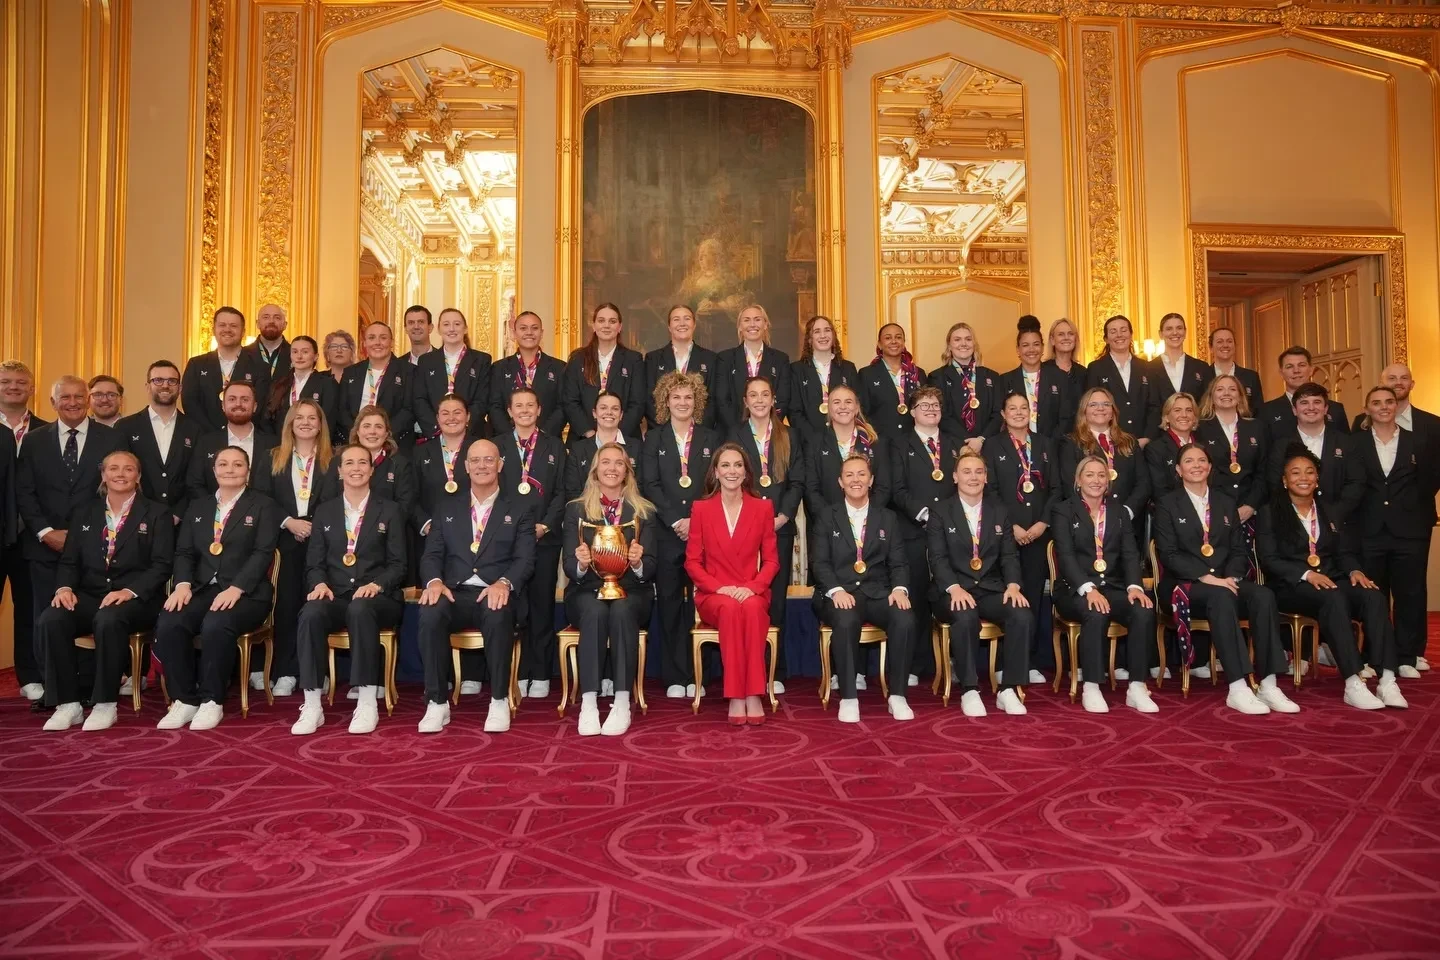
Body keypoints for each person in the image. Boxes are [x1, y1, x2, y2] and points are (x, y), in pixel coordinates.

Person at [1257, 445, 1406, 710]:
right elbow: (1269, 560)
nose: (1303, 477)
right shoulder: (1270, 512)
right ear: (1284, 480)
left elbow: (1344, 552)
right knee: (1332, 597)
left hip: (1332, 579)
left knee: (1373, 596)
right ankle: (1353, 682)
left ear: (1317, 478)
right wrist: (1306, 574)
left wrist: (1355, 571)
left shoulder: (1329, 511)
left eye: (1309, 472)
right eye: (1295, 473)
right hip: (1291, 586)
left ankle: (1387, 679)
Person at [1152, 443, 1298, 714]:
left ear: (1209, 467)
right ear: (1178, 469)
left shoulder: (1225, 501)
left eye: (1201, 460)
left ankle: (1268, 684)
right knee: (1220, 596)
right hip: (1184, 586)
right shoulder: (1166, 504)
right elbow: (1169, 554)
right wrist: (1207, 578)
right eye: (1188, 461)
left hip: (1226, 581)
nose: (1196, 465)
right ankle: (1238, 687)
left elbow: (1238, 549)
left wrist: (1230, 576)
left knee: (1263, 595)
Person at [37, 450, 174, 730]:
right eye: (113, 468)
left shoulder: (157, 513)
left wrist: (129, 591)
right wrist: (64, 587)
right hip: (91, 595)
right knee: (52, 618)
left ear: (138, 476)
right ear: (103, 475)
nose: (120, 474)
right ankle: (68, 704)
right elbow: (70, 561)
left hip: (138, 599)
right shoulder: (84, 512)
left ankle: (105, 703)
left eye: (128, 469)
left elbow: (162, 565)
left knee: (108, 618)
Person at [16, 375, 123, 709]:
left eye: (79, 396)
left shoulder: (112, 438)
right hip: (44, 546)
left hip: (95, 548)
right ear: (53, 402)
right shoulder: (33, 441)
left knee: (90, 614)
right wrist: (45, 532)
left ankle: (88, 685)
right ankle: (54, 690)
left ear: (87, 400)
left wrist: (82, 538)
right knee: (47, 618)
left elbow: (118, 489)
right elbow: (24, 492)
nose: (73, 403)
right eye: (65, 397)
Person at [154, 446, 280, 730]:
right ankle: (184, 699)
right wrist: (182, 585)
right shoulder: (198, 506)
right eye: (223, 464)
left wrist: (237, 588)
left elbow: (263, 553)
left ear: (248, 471)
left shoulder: (263, 505)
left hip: (248, 593)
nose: (229, 470)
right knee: (171, 621)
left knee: (216, 623)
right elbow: (184, 552)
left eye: (237, 464)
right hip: (203, 589)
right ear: (214, 470)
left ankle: (212, 700)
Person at [416, 438, 535, 734]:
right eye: (476, 460)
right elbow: (432, 554)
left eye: (489, 459)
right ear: (466, 466)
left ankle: (499, 700)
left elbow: (525, 559)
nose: (482, 466)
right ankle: (437, 702)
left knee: (497, 613)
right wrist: (434, 582)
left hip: (494, 592)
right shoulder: (446, 507)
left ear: (500, 465)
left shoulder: (520, 508)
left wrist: (504, 583)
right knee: (430, 612)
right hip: (454, 592)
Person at [290, 442, 408, 735]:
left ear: (371, 470)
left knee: (360, 608)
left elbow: (398, 565)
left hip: (379, 597)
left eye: (362, 463)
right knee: (311, 613)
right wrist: (318, 583)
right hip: (336, 594)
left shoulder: (390, 510)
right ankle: (312, 704)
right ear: (340, 471)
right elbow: (314, 562)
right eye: (349, 463)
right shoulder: (325, 511)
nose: (356, 468)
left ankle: (367, 702)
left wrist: (376, 584)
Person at [811, 452, 915, 723]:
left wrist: (899, 589)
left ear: (871, 480)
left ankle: (898, 695)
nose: (855, 480)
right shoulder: (826, 516)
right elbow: (819, 563)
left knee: (904, 618)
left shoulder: (887, 518)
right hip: (839, 593)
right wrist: (836, 590)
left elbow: (899, 562)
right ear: (840, 482)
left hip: (878, 592)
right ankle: (848, 697)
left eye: (861, 474)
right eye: (849, 475)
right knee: (845, 620)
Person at [928, 447, 1032, 716]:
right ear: (955, 477)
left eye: (978, 472)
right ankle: (970, 689)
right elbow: (937, 558)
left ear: (986, 477)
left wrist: (1013, 585)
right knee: (965, 615)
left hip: (990, 588)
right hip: (952, 590)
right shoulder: (940, 511)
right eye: (966, 472)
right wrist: (954, 588)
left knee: (1021, 613)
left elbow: (1009, 555)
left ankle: (1009, 688)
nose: (973, 477)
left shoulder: (1000, 511)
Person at [1050, 456, 1158, 713]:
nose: (1096, 480)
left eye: (1101, 475)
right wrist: (1088, 589)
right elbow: (1065, 556)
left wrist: (1135, 587)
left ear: (1108, 481)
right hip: (1074, 589)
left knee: (1143, 609)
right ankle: (1092, 686)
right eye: (1089, 475)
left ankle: (1137, 687)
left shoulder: (1119, 511)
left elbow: (1130, 553)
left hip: (1112, 586)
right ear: (1078, 480)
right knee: (1096, 610)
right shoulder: (1063, 510)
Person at [562, 443, 656, 736]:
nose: (612, 468)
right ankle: (589, 704)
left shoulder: (644, 511)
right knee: (594, 610)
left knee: (622, 609)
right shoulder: (575, 510)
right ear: (595, 469)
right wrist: (580, 563)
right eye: (605, 462)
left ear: (627, 471)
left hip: (632, 590)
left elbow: (651, 569)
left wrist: (638, 562)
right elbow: (569, 568)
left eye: (619, 463)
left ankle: (622, 701)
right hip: (586, 590)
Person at [685, 443, 780, 724]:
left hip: (752, 590)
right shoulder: (701, 509)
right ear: (715, 472)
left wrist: (752, 587)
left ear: (746, 472)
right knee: (729, 608)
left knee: (751, 608)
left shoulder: (763, 508)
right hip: (714, 594)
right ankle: (737, 695)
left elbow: (772, 562)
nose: (732, 471)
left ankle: (754, 693)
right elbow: (692, 562)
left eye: (738, 465)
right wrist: (718, 588)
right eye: (725, 465)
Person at [642, 370, 720, 698]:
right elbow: (649, 484)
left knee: (703, 604)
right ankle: (675, 675)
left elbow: (716, 483)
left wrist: (695, 520)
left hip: (703, 534)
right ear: (666, 401)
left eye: (689, 397)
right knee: (671, 604)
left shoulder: (711, 438)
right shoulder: (654, 439)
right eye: (676, 397)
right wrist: (677, 520)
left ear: (697, 401)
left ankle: (700, 674)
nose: (683, 402)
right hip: (666, 532)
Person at [1353, 385, 1437, 678]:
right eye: (1377, 403)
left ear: (1396, 406)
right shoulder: (1355, 443)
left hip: (1410, 529)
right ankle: (1375, 656)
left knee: (1410, 594)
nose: (1384, 407)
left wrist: (1408, 508)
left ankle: (1406, 656)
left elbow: (1430, 481)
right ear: (1367, 409)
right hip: (1369, 530)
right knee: (1373, 596)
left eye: (1389, 402)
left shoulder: (1418, 441)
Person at [729, 376, 803, 695]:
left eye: (765, 395)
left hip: (779, 529)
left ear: (773, 400)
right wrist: (752, 520)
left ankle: (775, 670)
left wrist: (782, 516)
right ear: (745, 401)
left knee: (776, 601)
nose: (759, 400)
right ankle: (745, 667)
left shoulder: (789, 435)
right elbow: (730, 478)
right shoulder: (734, 435)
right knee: (747, 598)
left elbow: (797, 481)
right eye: (753, 395)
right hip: (744, 530)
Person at [983, 391, 1056, 682]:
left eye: (1023, 407)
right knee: (1008, 596)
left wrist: (1043, 523)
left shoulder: (1045, 444)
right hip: (1004, 535)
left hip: (1038, 534)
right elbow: (989, 490)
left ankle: (1030, 661)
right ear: (1003, 414)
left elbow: (1057, 489)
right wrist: (1010, 525)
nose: (1018, 412)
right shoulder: (992, 445)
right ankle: (1004, 663)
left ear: (1030, 411)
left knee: (1034, 596)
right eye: (1012, 408)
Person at [891, 384, 962, 684]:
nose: (931, 409)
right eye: (924, 405)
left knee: (953, 595)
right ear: (912, 412)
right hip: (914, 531)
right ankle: (915, 664)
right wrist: (923, 514)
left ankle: (954, 662)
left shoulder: (955, 444)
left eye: (935, 405)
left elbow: (965, 486)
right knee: (917, 597)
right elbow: (896, 489)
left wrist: (947, 518)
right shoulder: (899, 444)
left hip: (952, 533)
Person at [266, 399, 336, 699]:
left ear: (320, 425)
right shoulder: (272, 457)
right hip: (286, 539)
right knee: (286, 605)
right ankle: (285, 671)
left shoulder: (334, 460)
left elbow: (340, 500)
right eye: (299, 418)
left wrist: (314, 525)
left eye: (312, 418)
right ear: (290, 424)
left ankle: (318, 672)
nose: (306, 422)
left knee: (318, 607)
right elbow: (262, 498)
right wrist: (289, 522)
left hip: (325, 540)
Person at [499, 387, 565, 699]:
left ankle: (540, 672)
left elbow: (562, 491)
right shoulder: (497, 445)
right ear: (509, 411)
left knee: (542, 606)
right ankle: (518, 671)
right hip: (507, 542)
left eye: (530, 405)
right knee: (514, 606)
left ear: (539, 410)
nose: (524, 410)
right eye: (518, 406)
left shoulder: (554, 445)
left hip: (545, 539)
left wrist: (546, 525)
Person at [0, 359, 47, 701]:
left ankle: (30, 677)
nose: (13, 387)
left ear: (32, 388)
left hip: (31, 537)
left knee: (29, 609)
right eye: (6, 382)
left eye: (20, 382)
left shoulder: (47, 431)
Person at [1056, 388, 1150, 551]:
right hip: (1088, 525)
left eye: (1106, 404)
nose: (1100, 408)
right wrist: (1092, 515)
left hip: (1128, 525)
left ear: (1113, 411)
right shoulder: (1071, 443)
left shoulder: (1129, 441)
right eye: (1093, 404)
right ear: (1084, 411)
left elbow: (1143, 483)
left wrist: (1126, 512)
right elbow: (1070, 484)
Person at [1264, 382, 1363, 522]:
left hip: (1339, 523)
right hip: (1294, 523)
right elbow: (1275, 484)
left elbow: (1356, 483)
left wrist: (1333, 514)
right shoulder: (1280, 446)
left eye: (1317, 402)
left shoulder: (1347, 443)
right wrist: (1299, 515)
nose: (1311, 407)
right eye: (1304, 403)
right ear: (1294, 410)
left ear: (1326, 408)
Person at [117, 360, 199, 527]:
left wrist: (179, 512)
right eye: (158, 380)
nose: (165, 385)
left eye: (172, 381)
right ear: (148, 386)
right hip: (136, 519)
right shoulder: (126, 427)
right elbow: (122, 474)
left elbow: (196, 477)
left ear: (180, 388)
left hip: (182, 522)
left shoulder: (195, 428)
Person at [803, 384, 890, 528]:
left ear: (856, 408)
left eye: (848, 402)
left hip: (869, 525)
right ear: (829, 408)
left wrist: (864, 517)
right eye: (836, 402)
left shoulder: (874, 442)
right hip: (827, 526)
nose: (843, 407)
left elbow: (883, 487)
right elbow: (811, 489)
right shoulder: (814, 443)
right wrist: (831, 520)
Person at [181, 307, 272, 433]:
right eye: (222, 325)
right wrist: (215, 434)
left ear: (243, 331)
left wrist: (234, 430)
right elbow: (190, 404)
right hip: (204, 437)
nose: (227, 329)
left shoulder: (260, 367)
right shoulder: (196, 364)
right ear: (213, 330)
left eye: (233, 326)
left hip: (244, 436)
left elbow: (260, 406)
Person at [563, 302, 646, 439]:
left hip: (624, 439)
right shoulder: (578, 358)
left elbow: (637, 404)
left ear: (620, 327)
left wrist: (615, 436)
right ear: (594, 325)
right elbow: (570, 401)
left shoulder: (633, 360)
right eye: (601, 321)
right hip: (584, 440)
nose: (606, 325)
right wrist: (591, 435)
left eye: (612, 321)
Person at [346, 406, 417, 561]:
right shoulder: (340, 462)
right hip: (346, 539)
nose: (372, 432)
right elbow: (329, 502)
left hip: (386, 541)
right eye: (366, 426)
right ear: (357, 432)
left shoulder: (400, 464)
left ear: (386, 434)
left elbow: (404, 507)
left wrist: (373, 530)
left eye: (378, 427)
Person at [186, 381, 276, 502]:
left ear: (255, 406)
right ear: (223, 406)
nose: (238, 404)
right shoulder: (205, 442)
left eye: (245, 399)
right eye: (232, 399)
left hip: (263, 512)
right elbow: (194, 483)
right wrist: (219, 508)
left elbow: (281, 486)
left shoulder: (274, 444)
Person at [1196, 374, 1267, 522]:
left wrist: (1250, 505)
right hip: (1213, 509)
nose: (1226, 393)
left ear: (1240, 396)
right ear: (1211, 397)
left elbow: (1264, 470)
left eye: (1232, 389)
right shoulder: (1199, 429)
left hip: (1251, 511)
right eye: (1220, 389)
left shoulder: (1257, 427)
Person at [415, 307, 492, 441]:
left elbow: (482, 400)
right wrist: (437, 429)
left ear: (465, 328)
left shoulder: (481, 360)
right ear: (439, 329)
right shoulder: (426, 361)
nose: (451, 329)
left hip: (471, 435)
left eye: (457, 324)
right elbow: (420, 400)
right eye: (446, 324)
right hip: (435, 436)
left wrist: (463, 427)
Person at [714, 304, 792, 431]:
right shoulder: (725, 359)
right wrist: (741, 432)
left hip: (770, 432)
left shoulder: (780, 359)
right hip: (733, 433)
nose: (752, 324)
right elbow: (722, 401)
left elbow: (783, 400)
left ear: (765, 324)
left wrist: (766, 427)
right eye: (746, 320)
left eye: (757, 319)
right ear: (740, 327)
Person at [337, 321, 415, 448]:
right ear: (364, 343)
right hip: (356, 442)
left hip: (393, 444)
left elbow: (408, 410)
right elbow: (342, 410)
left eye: (383, 338)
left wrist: (383, 434)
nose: (377, 342)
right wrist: (358, 434)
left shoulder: (409, 371)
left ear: (391, 342)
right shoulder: (351, 372)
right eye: (372, 338)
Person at [997, 315, 1074, 440]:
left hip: (1053, 446)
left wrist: (1049, 445)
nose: (1031, 349)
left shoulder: (1060, 377)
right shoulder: (1005, 381)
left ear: (1042, 347)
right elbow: (1000, 419)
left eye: (1036, 344)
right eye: (1025, 345)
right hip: (1015, 445)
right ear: (1018, 349)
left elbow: (1066, 419)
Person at [490, 311, 566, 437]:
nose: (529, 332)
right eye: (523, 328)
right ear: (514, 333)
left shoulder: (559, 367)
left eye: (534, 328)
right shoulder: (499, 368)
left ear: (541, 333)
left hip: (547, 440)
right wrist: (511, 437)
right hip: (506, 441)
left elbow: (562, 407)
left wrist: (542, 436)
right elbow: (494, 406)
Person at [644, 304, 719, 430]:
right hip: (662, 433)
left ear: (694, 325)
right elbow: (648, 399)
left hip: (700, 434)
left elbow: (712, 402)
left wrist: (696, 431)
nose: (682, 323)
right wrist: (668, 431)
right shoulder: (653, 359)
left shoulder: (710, 359)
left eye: (687, 318)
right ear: (669, 327)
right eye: (676, 319)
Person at [1085, 315, 1156, 442]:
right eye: (1113, 331)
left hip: (1143, 441)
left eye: (1123, 330)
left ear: (1131, 334)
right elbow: (1092, 408)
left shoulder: (1147, 367)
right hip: (1110, 441)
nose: (1119, 335)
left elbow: (1154, 406)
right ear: (1106, 339)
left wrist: (1147, 437)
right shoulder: (1096, 368)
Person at [789, 315, 859, 444]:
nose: (823, 335)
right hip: (808, 442)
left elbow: (856, 406)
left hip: (843, 441)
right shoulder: (797, 370)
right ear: (809, 339)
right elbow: (794, 412)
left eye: (827, 330)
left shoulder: (848, 368)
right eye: (817, 331)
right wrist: (814, 439)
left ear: (833, 335)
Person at [563, 391, 642, 505]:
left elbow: (641, 488)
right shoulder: (578, 449)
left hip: (628, 512)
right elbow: (572, 491)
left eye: (615, 409)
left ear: (621, 415)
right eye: (603, 408)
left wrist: (619, 511)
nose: (609, 412)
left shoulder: (637, 447)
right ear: (594, 413)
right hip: (587, 512)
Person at [1256, 346, 1350, 441]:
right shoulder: (1266, 411)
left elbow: (1346, 444)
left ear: (1311, 369)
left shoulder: (1335, 409)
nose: (1296, 371)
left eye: (1301, 365)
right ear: (1281, 372)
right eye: (1289, 366)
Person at [928, 322, 997, 447]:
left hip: (987, 445)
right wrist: (967, 441)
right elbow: (940, 413)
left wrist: (981, 439)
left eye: (968, 339)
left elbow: (997, 414)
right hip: (953, 446)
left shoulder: (992, 376)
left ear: (974, 344)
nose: (963, 343)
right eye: (957, 339)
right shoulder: (937, 377)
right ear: (949, 346)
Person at [860, 322, 929, 444]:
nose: (894, 341)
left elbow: (926, 409)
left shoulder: (918, 373)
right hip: (880, 442)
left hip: (914, 442)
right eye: (888, 338)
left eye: (898, 337)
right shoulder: (867, 374)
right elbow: (862, 413)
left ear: (903, 342)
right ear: (879, 344)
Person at [264, 335, 338, 436]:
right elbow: (268, 419)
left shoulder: (327, 384)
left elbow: (329, 421)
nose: (299, 356)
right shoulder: (279, 384)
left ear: (316, 356)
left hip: (314, 441)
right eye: (295, 352)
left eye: (305, 352)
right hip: (282, 441)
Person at [1146, 392, 1199, 501]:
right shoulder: (1155, 449)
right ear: (1166, 417)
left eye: (1189, 410)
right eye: (1177, 410)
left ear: (1194, 417)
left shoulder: (1205, 446)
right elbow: (1160, 491)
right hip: (1173, 509)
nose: (1184, 415)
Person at [1152, 313, 1212, 403]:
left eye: (1179, 328)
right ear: (1160, 334)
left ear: (1185, 332)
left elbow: (1207, 403)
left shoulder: (1201, 367)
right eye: (1169, 329)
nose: (1175, 332)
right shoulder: (1149, 369)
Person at [1206, 326, 1263, 413]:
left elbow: (1259, 411)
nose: (1225, 345)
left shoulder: (1251, 376)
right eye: (1220, 342)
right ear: (1211, 348)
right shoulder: (1203, 375)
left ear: (1235, 346)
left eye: (1229, 341)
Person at [245, 303, 291, 380]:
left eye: (277, 318)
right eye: (266, 317)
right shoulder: (243, 354)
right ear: (257, 324)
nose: (271, 321)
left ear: (285, 325)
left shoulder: (295, 355)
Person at [1045, 318, 1087, 396]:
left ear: (1075, 339)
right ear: (1052, 340)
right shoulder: (1042, 370)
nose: (1066, 338)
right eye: (1061, 334)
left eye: (1070, 334)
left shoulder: (1083, 373)